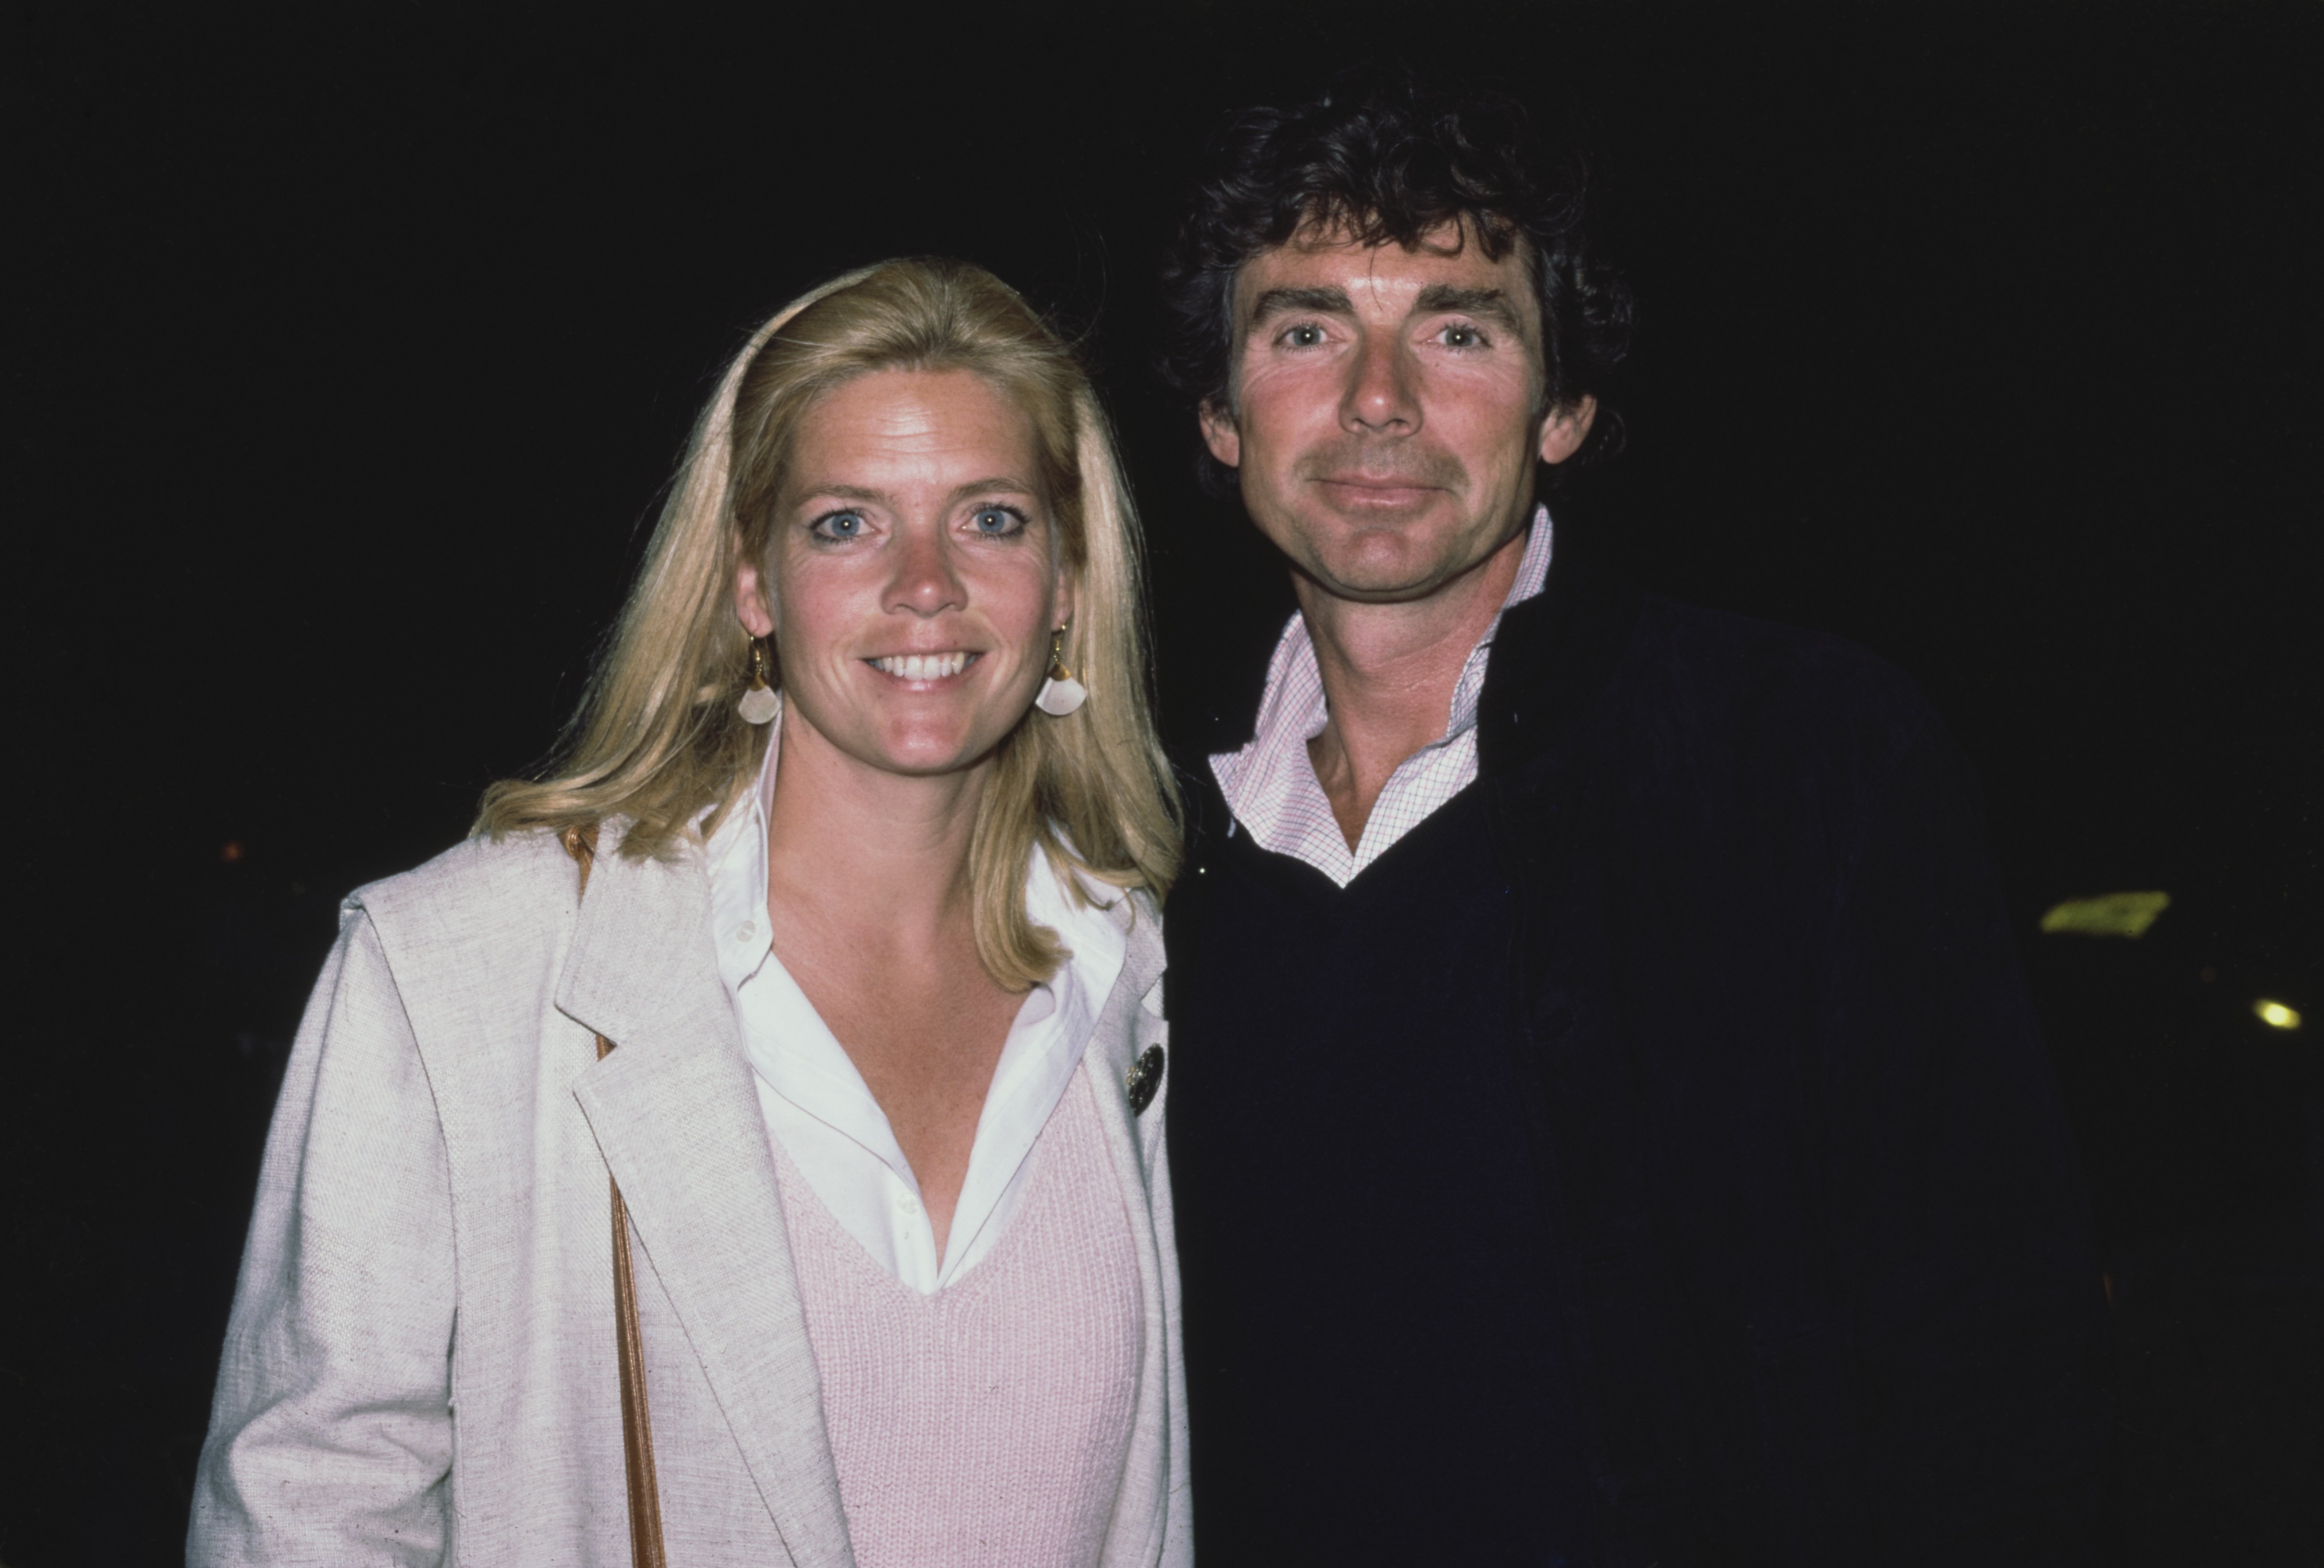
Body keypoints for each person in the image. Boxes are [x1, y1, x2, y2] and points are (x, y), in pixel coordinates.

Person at [1155, 78, 2109, 1564]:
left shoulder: (1799, 754)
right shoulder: (1130, 827)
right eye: (1303, 329)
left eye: (1460, 328)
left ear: (1564, 411)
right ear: (1221, 417)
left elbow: (1991, 1348)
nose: (1379, 400)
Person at [190, 258, 1190, 1568]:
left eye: (992, 518)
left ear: (1066, 582)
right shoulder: (465, 968)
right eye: (846, 523)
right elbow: (308, 1509)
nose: (927, 583)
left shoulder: (1134, 971)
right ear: (749, 586)